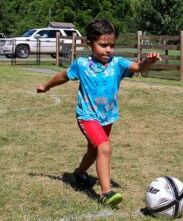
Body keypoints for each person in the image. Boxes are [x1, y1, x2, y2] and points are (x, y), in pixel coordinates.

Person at [37, 18, 161, 207]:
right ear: (90, 43)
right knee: (104, 148)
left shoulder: (117, 63)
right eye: (103, 45)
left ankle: (79, 174)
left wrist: (148, 61)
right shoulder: (81, 65)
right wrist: (46, 86)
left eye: (112, 45)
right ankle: (105, 193)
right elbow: (62, 76)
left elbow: (137, 67)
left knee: (94, 151)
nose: (108, 50)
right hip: (87, 116)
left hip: (107, 117)